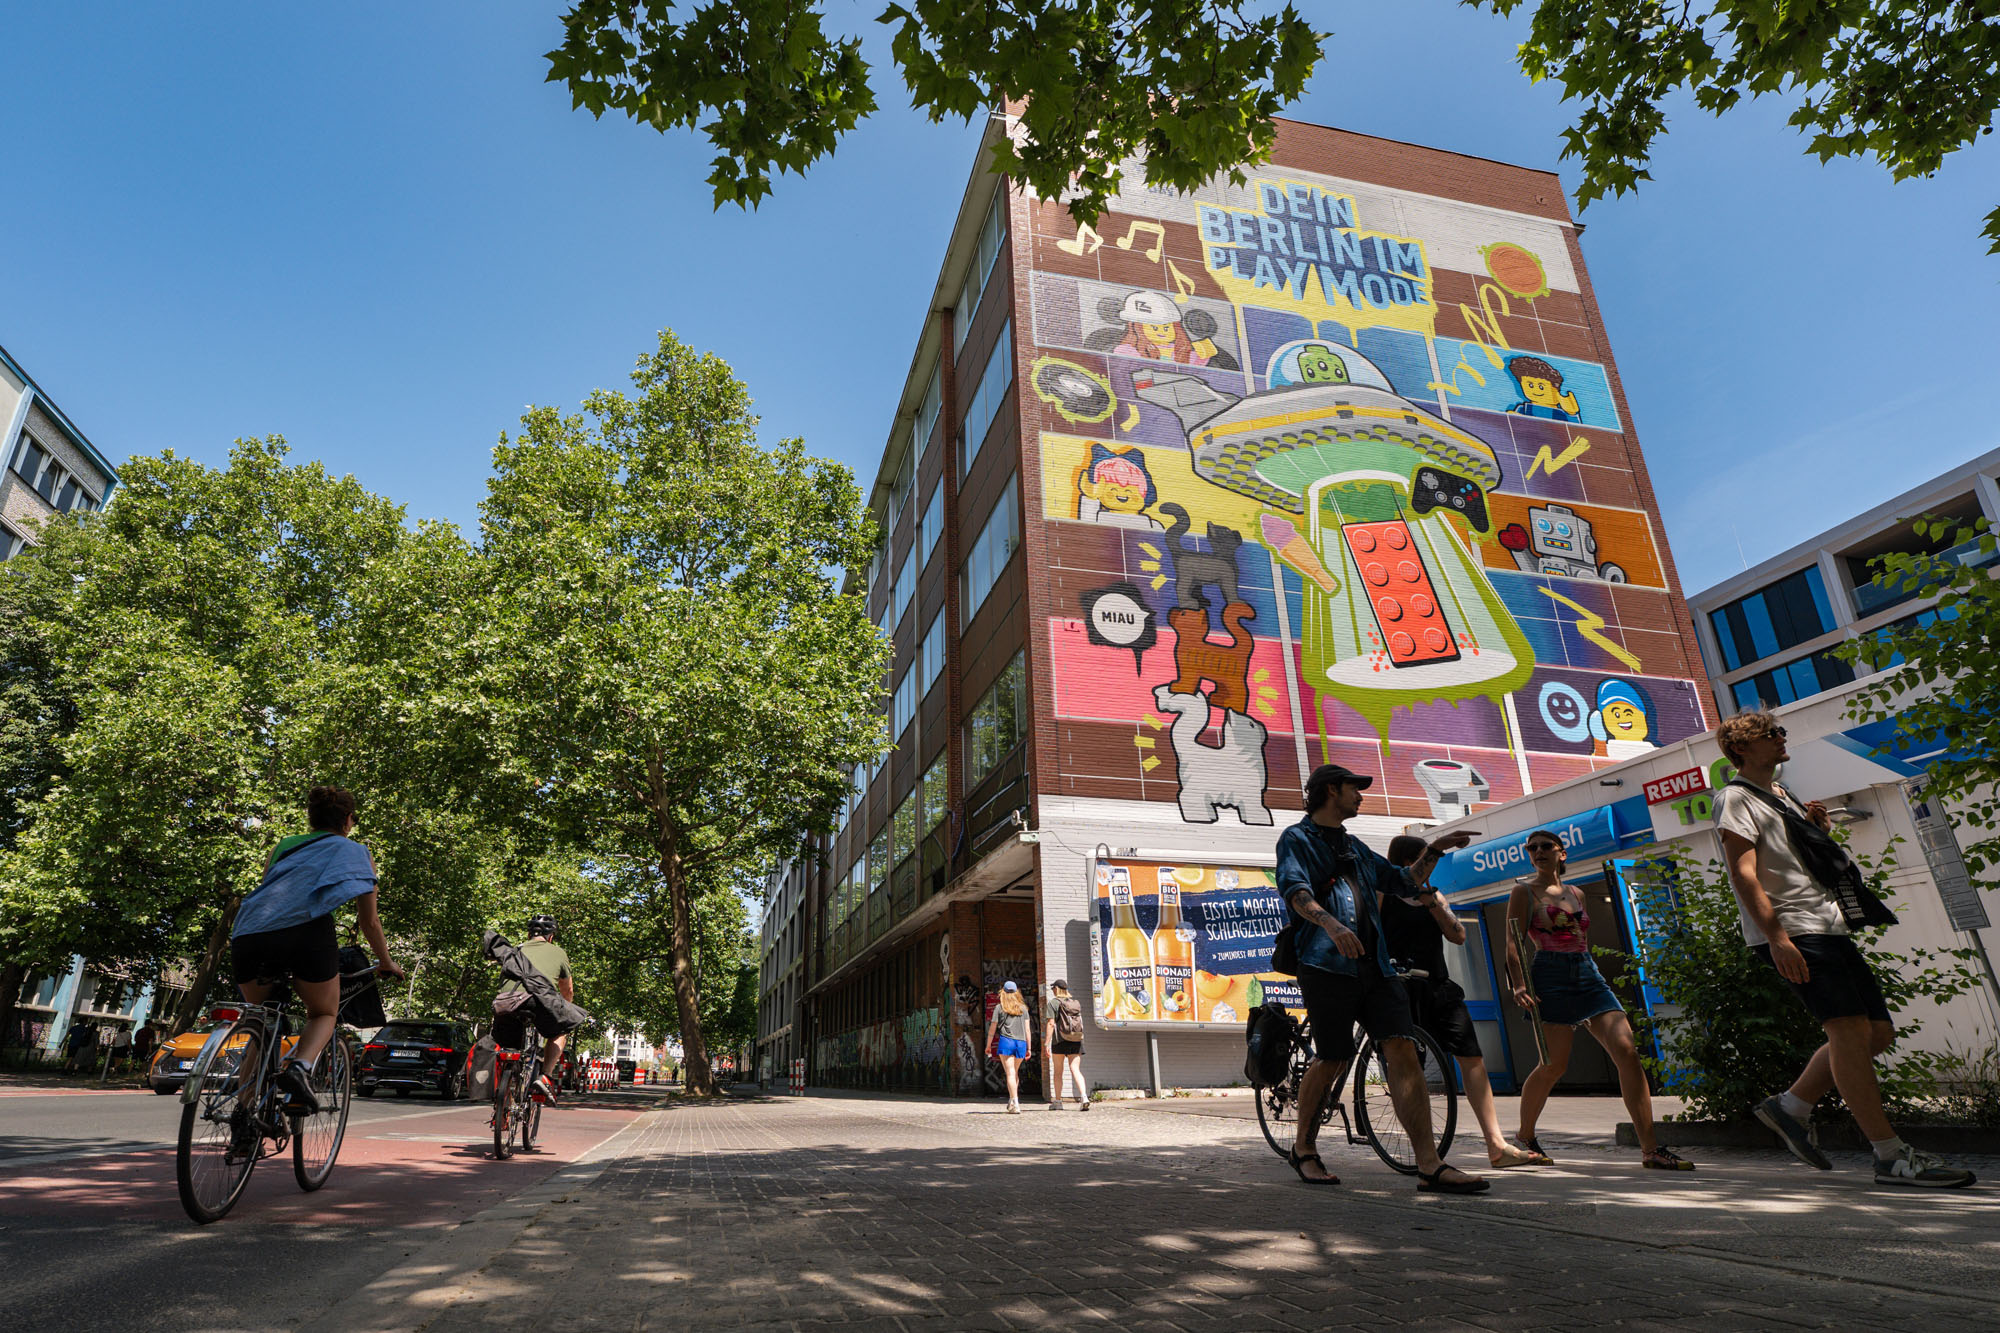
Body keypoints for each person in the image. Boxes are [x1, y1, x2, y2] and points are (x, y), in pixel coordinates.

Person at [1718, 711, 1976, 1188]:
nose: (1780, 738)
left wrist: (1815, 829)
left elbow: (1795, 862)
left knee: (1877, 1033)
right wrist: (1777, 938)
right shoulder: (1735, 798)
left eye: (1780, 731)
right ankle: (1890, 1155)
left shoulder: (1782, 795)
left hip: (1826, 924)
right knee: (1850, 1030)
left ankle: (1790, 1106)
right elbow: (1743, 873)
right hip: (1794, 930)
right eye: (1769, 734)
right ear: (1741, 749)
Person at [1276, 764, 1487, 1193]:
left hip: (1377, 967)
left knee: (1402, 1050)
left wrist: (1435, 848)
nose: (1361, 795)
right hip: (1325, 965)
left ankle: (1429, 1165)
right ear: (1330, 790)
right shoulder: (1296, 839)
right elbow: (1295, 891)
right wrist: (1331, 925)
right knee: (1332, 1057)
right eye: (1354, 788)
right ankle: (1304, 1149)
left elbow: (1404, 881)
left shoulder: (1354, 847)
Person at [1504, 830, 1693, 1171]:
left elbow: (1581, 939)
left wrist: (1587, 972)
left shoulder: (1577, 893)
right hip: (1550, 974)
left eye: (1546, 846)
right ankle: (1524, 1136)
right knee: (1553, 1065)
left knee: (1627, 1052)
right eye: (1532, 848)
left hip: (1587, 973)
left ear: (1562, 853)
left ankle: (1651, 1150)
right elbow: (1512, 941)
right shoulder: (1523, 891)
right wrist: (1518, 985)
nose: (1538, 851)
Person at [232, 785, 403, 1116]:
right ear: (348, 820)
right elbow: (368, 922)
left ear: (311, 818)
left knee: (261, 1019)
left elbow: (271, 891)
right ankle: (299, 1068)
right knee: (324, 1013)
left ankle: (243, 1113)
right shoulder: (357, 852)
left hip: (249, 930)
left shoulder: (284, 845)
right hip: (305, 932)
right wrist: (386, 962)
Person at [1380, 836, 1542, 1169]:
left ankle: (1496, 1144)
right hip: (1399, 989)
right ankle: (1424, 1150)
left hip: (1438, 985)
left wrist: (1432, 904)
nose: (1430, 867)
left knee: (1472, 1056)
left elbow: (1458, 935)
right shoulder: (1384, 894)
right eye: (1425, 859)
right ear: (1408, 862)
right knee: (1407, 1067)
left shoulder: (1435, 895)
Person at [492, 914, 573, 1104]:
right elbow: (567, 990)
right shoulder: (558, 952)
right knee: (560, 1031)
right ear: (551, 937)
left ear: (529, 935)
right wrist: (566, 1008)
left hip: (507, 1002)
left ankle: (502, 1098)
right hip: (539, 1003)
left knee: (504, 1046)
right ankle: (545, 1077)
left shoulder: (515, 950)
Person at [1043, 979, 1090, 1111]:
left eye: (1053, 988)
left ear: (1056, 989)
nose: (1052, 990)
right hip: (1076, 1039)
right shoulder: (1074, 1003)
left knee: (1058, 1072)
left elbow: (1051, 1024)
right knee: (1075, 1069)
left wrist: (1046, 1043)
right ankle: (1084, 1097)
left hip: (1060, 1040)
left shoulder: (1053, 1003)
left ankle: (1058, 1101)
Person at [985, 980, 1032, 1113]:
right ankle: (1012, 1100)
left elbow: (992, 1028)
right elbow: (1027, 1030)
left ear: (1003, 993)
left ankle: (1015, 1103)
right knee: (1014, 1072)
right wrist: (1029, 1048)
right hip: (1021, 1043)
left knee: (1010, 1073)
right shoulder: (1023, 1008)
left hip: (1006, 1042)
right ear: (1017, 993)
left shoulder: (999, 1008)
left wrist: (988, 1045)